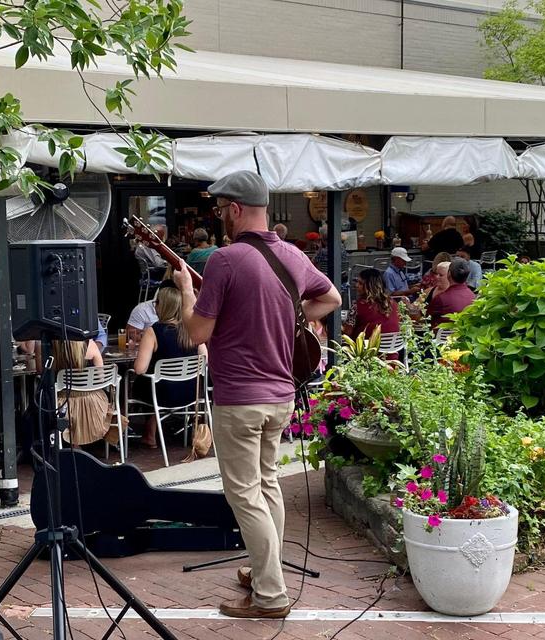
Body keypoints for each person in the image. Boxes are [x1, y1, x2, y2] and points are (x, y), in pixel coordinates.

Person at [174, 170, 341, 619]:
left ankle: (271, 595)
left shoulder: (225, 260)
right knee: (267, 486)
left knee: (244, 494)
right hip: (281, 396)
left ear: (233, 209)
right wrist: (291, 317)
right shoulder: (292, 255)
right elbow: (332, 299)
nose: (220, 216)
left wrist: (188, 292)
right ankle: (262, 570)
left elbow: (196, 331)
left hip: (239, 398)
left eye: (220, 209)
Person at [131, 287, 205, 449]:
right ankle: (149, 432)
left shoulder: (153, 331)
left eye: (157, 302)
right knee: (153, 380)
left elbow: (139, 369)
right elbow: (205, 359)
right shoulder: (190, 328)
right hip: (191, 393)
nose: (155, 305)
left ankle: (119, 431)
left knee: (130, 382)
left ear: (163, 306)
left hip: (163, 394)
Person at [51, 339, 120, 448]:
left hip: (61, 405)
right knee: (108, 396)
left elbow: (41, 372)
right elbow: (101, 378)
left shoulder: (50, 346)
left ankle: (70, 442)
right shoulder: (90, 345)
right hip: (93, 404)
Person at [343, 268, 400, 339]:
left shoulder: (358, 305)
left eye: (360, 283)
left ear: (370, 287)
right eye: (357, 282)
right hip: (393, 347)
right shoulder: (393, 303)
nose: (356, 285)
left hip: (368, 347)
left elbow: (347, 332)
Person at [425, 258, 476, 329]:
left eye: (441, 275)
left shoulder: (441, 298)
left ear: (448, 274)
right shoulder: (473, 297)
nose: (437, 277)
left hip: (441, 339)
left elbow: (426, 319)